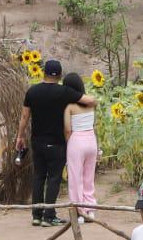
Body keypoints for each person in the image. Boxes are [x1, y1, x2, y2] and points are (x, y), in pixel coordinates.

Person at [15, 59, 96, 226]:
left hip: (37, 142)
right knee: (53, 178)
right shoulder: (64, 92)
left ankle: (36, 215)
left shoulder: (32, 91)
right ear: (59, 75)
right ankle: (49, 215)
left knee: (38, 177)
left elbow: (24, 117)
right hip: (57, 143)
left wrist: (20, 136)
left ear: (43, 73)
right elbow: (90, 101)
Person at [62, 73, 99, 220]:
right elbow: (94, 124)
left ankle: (79, 212)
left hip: (76, 140)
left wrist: (68, 144)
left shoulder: (70, 107)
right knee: (88, 177)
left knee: (75, 178)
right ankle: (90, 209)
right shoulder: (91, 104)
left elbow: (67, 130)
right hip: (91, 139)